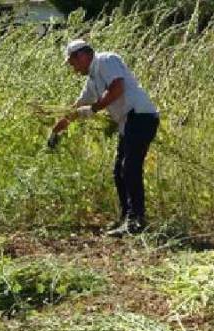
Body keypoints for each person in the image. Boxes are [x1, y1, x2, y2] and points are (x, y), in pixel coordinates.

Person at [48, 39, 160, 236]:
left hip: (141, 117)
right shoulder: (92, 81)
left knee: (130, 168)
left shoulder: (106, 60)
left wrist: (94, 109)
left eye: (73, 63)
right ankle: (127, 218)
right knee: (119, 171)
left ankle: (136, 221)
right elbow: (77, 107)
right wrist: (57, 129)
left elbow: (117, 87)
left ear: (82, 56)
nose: (73, 69)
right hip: (128, 123)